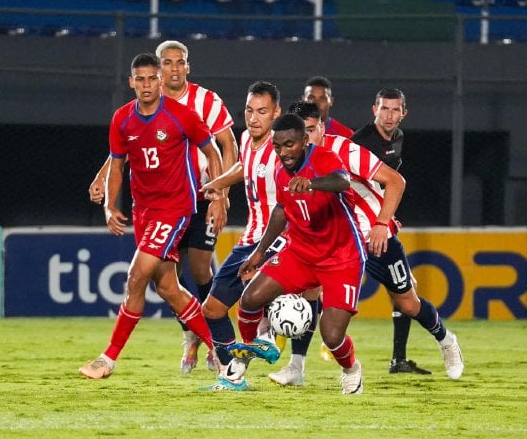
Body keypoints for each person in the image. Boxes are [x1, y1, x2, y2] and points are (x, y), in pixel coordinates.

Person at [267, 102, 465, 386]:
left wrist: (382, 225)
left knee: (408, 303)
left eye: (312, 129)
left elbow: (395, 181)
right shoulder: (291, 160)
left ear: (323, 126)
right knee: (309, 293)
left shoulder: (344, 151)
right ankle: (296, 367)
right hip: (336, 244)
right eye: (302, 132)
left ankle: (446, 340)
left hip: (373, 238)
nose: (306, 138)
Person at [88, 40, 237, 374]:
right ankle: (223, 352)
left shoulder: (195, 107)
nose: (150, 82)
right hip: (144, 210)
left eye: (176, 63)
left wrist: (219, 195)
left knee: (142, 275)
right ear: (133, 81)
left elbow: (219, 147)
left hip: (181, 205)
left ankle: (109, 357)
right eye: (141, 79)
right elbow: (118, 159)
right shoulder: (123, 118)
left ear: (184, 67)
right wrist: (109, 206)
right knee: (168, 287)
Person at [218, 113, 369, 394]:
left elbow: (342, 181)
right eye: (277, 146)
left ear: (303, 140)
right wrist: (259, 253)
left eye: (289, 145)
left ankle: (351, 369)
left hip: (342, 257)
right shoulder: (280, 170)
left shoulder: (323, 159)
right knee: (250, 299)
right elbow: (281, 210)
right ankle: (246, 355)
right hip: (300, 252)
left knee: (333, 335)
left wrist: (311, 183)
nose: (283, 152)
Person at [193, 81, 282, 390]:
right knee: (213, 309)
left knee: (255, 297)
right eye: (249, 110)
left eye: (262, 112)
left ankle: (267, 335)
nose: (254, 118)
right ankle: (234, 373)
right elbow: (246, 166)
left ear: (276, 113)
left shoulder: (283, 148)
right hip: (249, 239)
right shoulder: (246, 139)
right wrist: (218, 183)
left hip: (278, 240)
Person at [350, 87, 434, 374]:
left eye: (395, 110)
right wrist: (378, 222)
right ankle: (293, 353)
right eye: (384, 109)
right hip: (357, 227)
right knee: (324, 288)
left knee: (402, 289)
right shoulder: (360, 142)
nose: (389, 115)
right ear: (374, 109)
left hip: (378, 224)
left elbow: (386, 184)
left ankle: (398, 359)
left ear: (404, 113)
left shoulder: (397, 138)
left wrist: (383, 219)